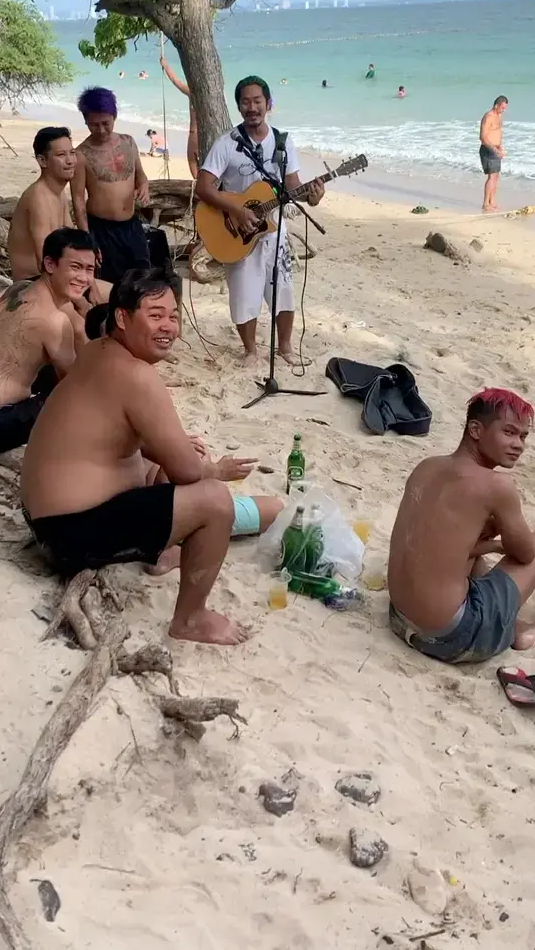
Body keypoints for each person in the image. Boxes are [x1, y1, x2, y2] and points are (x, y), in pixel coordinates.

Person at [21, 270, 283, 645]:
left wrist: (172, 451)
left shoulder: (97, 349)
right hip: (68, 536)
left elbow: (119, 431)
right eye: (155, 315)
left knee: (164, 456)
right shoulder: (136, 376)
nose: (168, 327)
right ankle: (190, 619)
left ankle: (165, 552)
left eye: (173, 316)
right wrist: (217, 470)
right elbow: (189, 473)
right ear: (123, 318)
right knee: (213, 499)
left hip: (44, 519)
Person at [387, 388, 535, 664]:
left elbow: (440, 548)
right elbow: (527, 554)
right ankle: (519, 628)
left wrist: (489, 541)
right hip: (452, 638)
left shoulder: (426, 466)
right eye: (509, 432)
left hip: (400, 619)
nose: (519, 444)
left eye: (523, 436)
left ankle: (516, 627)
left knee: (476, 550)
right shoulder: (497, 485)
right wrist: (502, 532)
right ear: (476, 430)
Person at [195, 75, 325, 364]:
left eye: (257, 101)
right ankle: (251, 350)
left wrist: (311, 195)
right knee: (243, 295)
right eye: (245, 102)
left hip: (275, 230)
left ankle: (286, 348)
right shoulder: (226, 144)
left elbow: (293, 188)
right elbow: (203, 188)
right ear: (239, 107)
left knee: (285, 289)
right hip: (238, 232)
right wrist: (236, 210)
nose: (252, 107)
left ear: (268, 103)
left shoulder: (283, 142)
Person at [0, 229, 98, 455]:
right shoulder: (54, 320)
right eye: (75, 267)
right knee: (85, 390)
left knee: (44, 366)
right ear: (50, 265)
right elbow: (75, 384)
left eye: (89, 269)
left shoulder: (17, 289)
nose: (83, 278)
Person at [71, 87, 151, 284]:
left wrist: (144, 187)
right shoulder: (81, 154)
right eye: (94, 125)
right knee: (110, 284)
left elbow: (141, 176)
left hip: (132, 224)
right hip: (102, 228)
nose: (101, 130)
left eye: (106, 123)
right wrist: (87, 238)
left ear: (114, 116)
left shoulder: (129, 142)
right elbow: (78, 199)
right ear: (86, 122)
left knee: (142, 280)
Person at [7, 127, 76, 280]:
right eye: (61, 155)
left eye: (72, 153)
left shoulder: (58, 193)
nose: (70, 161)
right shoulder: (38, 198)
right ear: (42, 161)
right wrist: (81, 301)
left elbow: (73, 243)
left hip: (58, 278)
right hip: (32, 283)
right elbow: (46, 263)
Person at [160, 56, 199, 178]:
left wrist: (165, 65)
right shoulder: (209, 95)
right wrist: (165, 65)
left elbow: (175, 80)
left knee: (195, 169)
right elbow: (175, 80)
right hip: (200, 134)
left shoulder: (192, 93)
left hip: (195, 134)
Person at [479, 95, 508, 212]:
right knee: (491, 177)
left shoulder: (499, 116)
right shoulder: (488, 117)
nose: (503, 110)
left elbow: (498, 133)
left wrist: (500, 147)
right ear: (496, 105)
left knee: (496, 177)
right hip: (488, 149)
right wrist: (494, 149)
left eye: (505, 108)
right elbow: (483, 137)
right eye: (502, 108)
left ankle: (492, 202)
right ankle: (485, 204)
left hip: (496, 149)